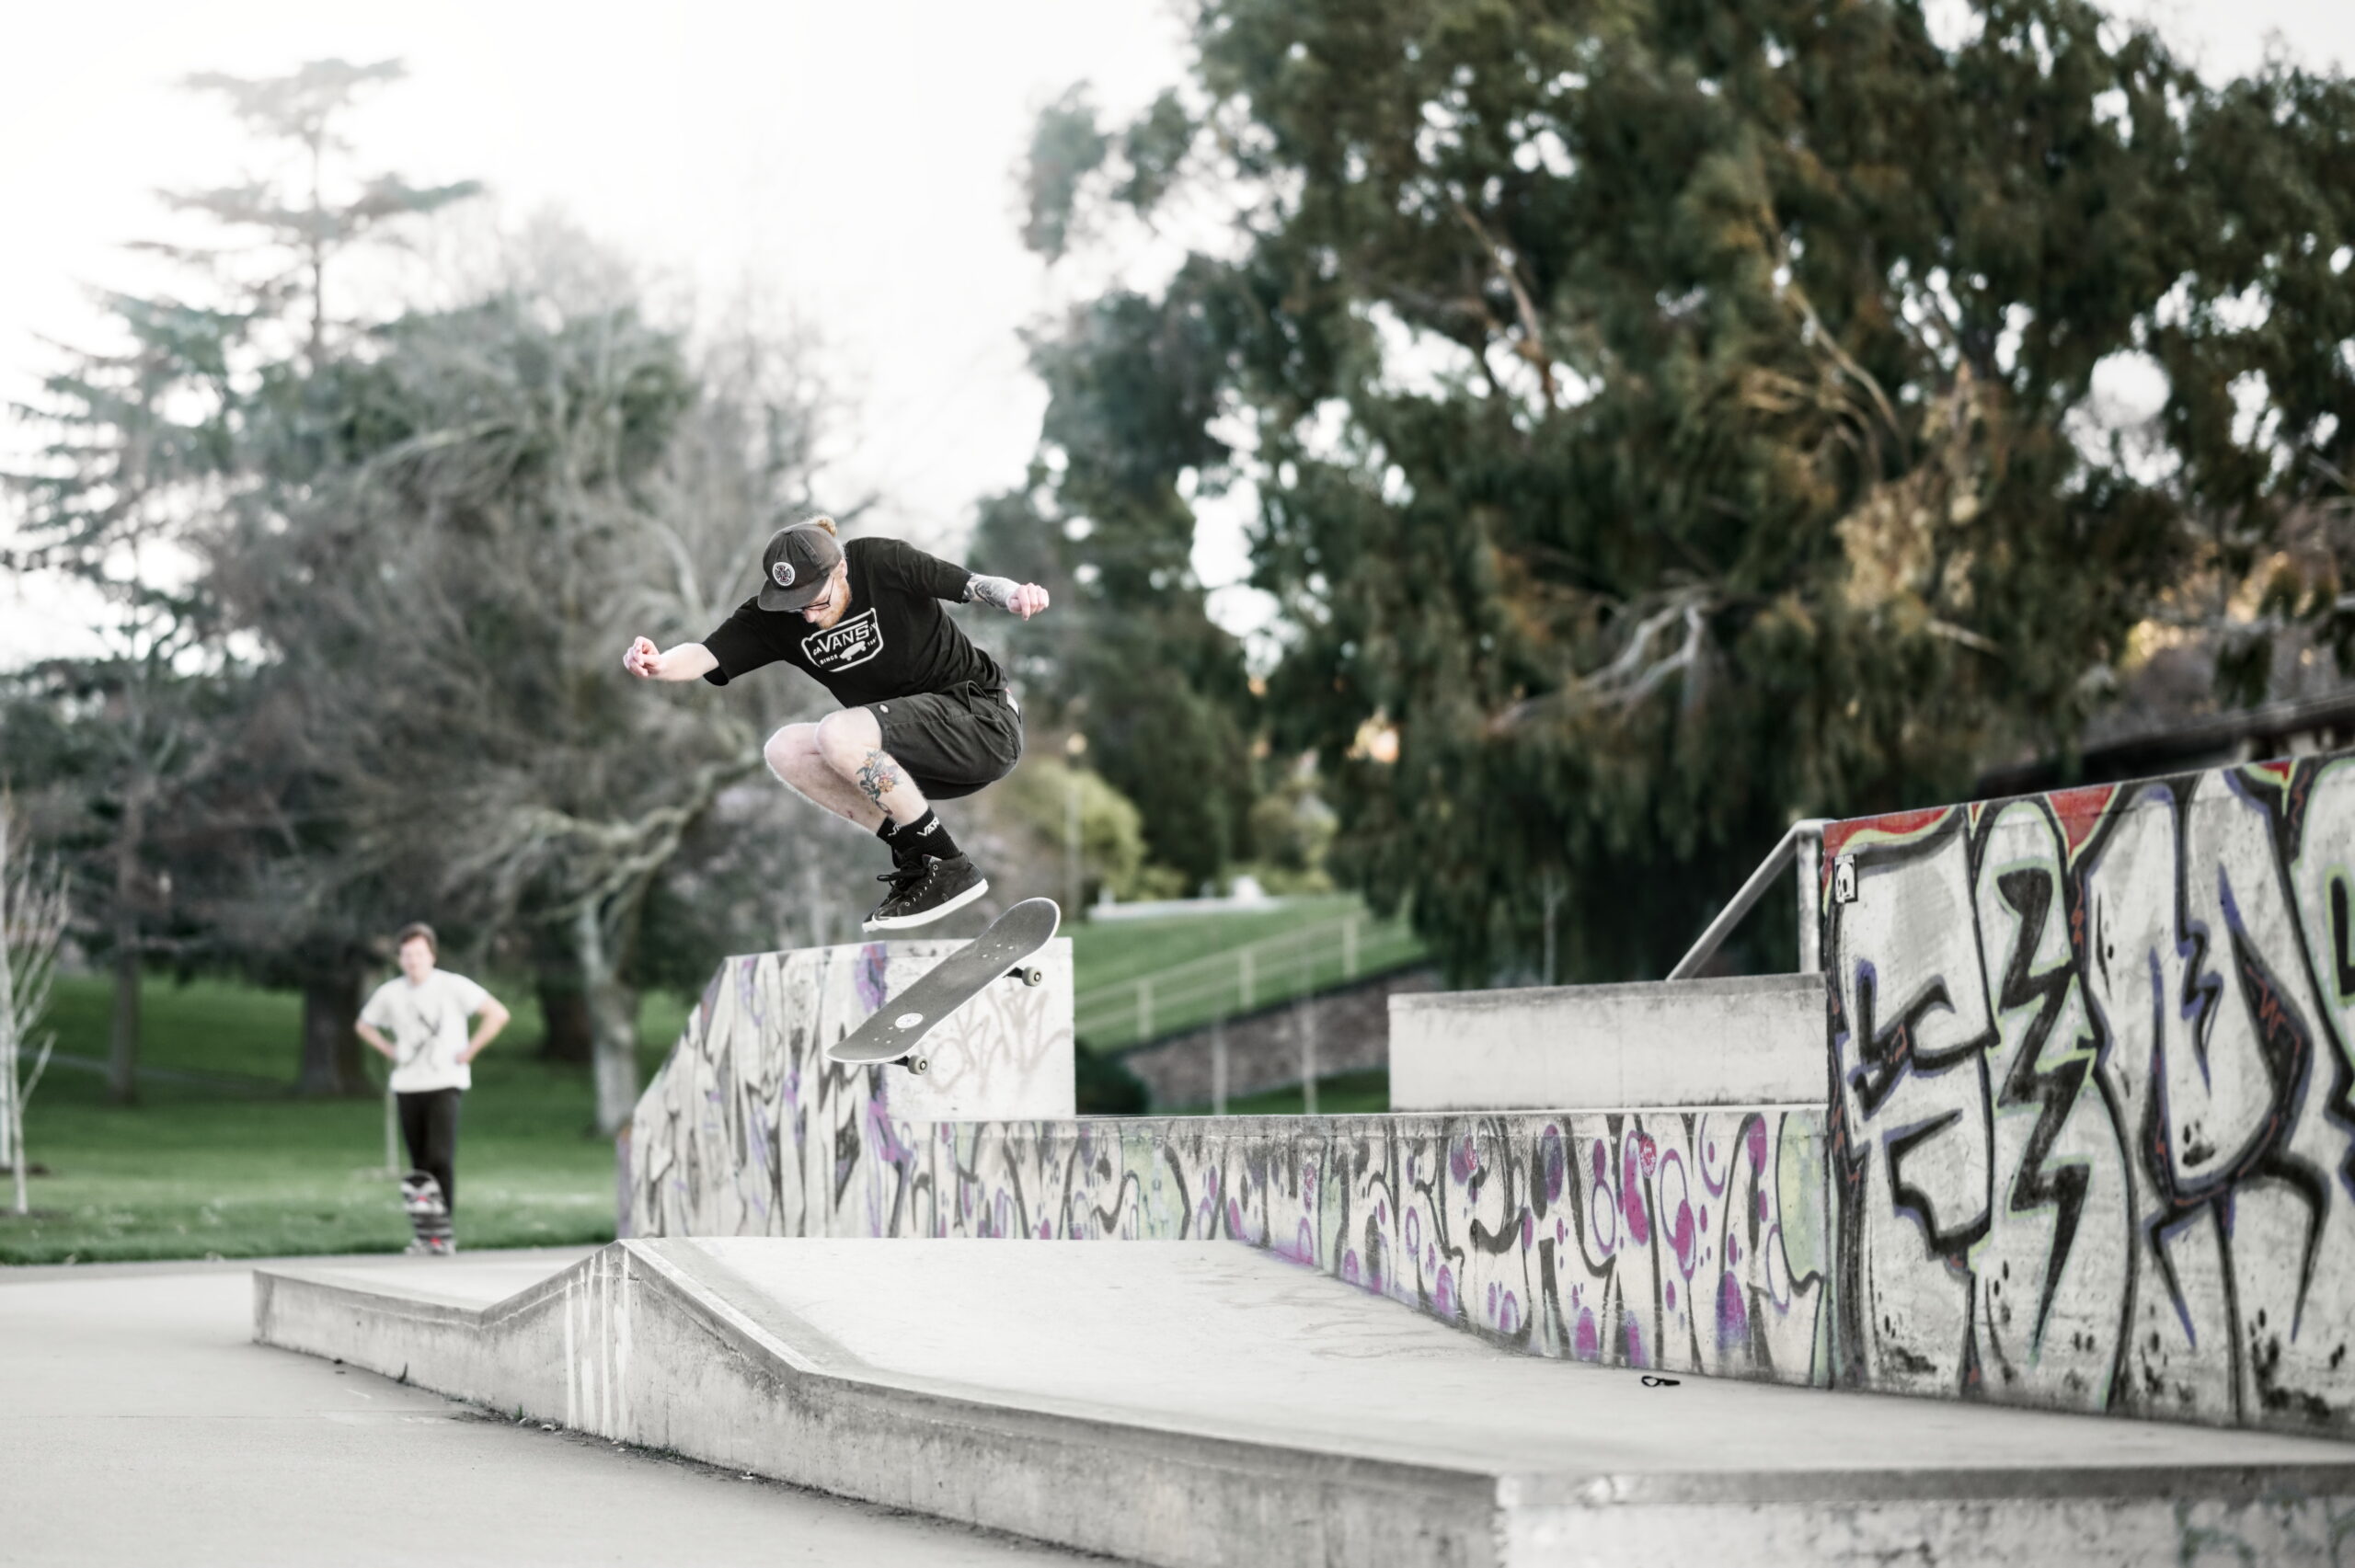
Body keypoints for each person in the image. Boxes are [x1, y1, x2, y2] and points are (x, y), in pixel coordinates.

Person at [623, 516, 1049, 931]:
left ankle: (948, 865)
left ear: (841, 569)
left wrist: (1014, 594)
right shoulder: (774, 618)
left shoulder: (880, 562)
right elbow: (705, 654)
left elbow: (971, 584)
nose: (808, 616)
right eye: (797, 606)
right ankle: (917, 855)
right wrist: (658, 664)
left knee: (837, 733)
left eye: (817, 601)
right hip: (914, 759)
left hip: (982, 723)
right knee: (785, 748)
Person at [355, 922, 510, 1253]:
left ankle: (444, 1231)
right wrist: (389, 1050)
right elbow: (364, 1025)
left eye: (419, 954)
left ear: (432, 955)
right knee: (420, 1166)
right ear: (400, 959)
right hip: (408, 1084)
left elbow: (497, 1014)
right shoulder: (391, 993)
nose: (413, 961)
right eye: (407, 955)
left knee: (440, 1156)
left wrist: (470, 1051)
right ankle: (426, 1234)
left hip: (445, 1082)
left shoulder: (452, 986)